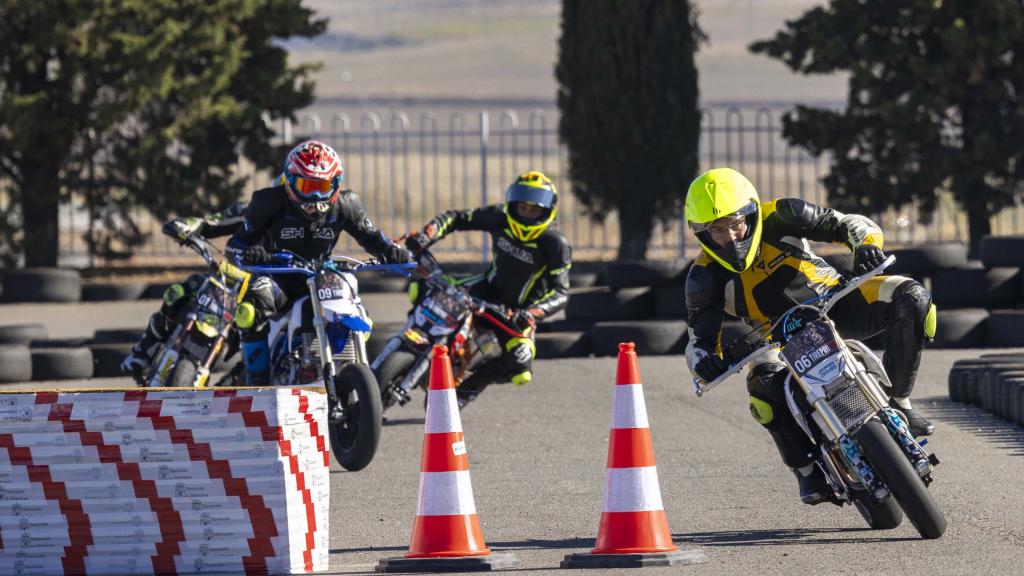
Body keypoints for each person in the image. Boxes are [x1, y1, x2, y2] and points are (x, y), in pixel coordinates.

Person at [683, 167, 937, 505]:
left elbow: (850, 224)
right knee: (762, 390)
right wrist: (704, 365)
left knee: (914, 297)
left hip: (834, 302)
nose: (730, 237)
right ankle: (805, 471)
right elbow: (699, 342)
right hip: (775, 338)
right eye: (717, 230)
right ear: (701, 234)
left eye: (736, 224)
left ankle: (900, 401)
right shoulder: (703, 278)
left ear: (752, 212)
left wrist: (865, 247)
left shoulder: (785, 214)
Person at [226, 140, 412, 386]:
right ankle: (257, 383)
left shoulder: (347, 204)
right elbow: (234, 245)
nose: (315, 195)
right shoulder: (268, 201)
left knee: (358, 310)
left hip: (319, 276)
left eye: (322, 185)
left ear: (336, 183)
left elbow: (372, 237)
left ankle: (352, 370)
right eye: (307, 185)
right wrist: (252, 252)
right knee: (249, 310)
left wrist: (393, 251)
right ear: (291, 181)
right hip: (277, 275)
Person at [404, 170, 571, 406]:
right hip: (484, 289)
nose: (526, 214)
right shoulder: (500, 217)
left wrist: (531, 314)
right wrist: (426, 236)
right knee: (423, 289)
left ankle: (464, 392)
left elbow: (561, 292)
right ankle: (408, 345)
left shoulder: (556, 243)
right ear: (513, 205)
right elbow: (454, 218)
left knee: (522, 363)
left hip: (516, 313)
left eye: (534, 210)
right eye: (522, 208)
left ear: (547, 211)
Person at [121, 201, 249, 382]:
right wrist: (189, 226)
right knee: (181, 290)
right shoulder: (248, 209)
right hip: (225, 280)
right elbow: (213, 221)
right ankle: (142, 353)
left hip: (256, 295)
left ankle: (236, 387)